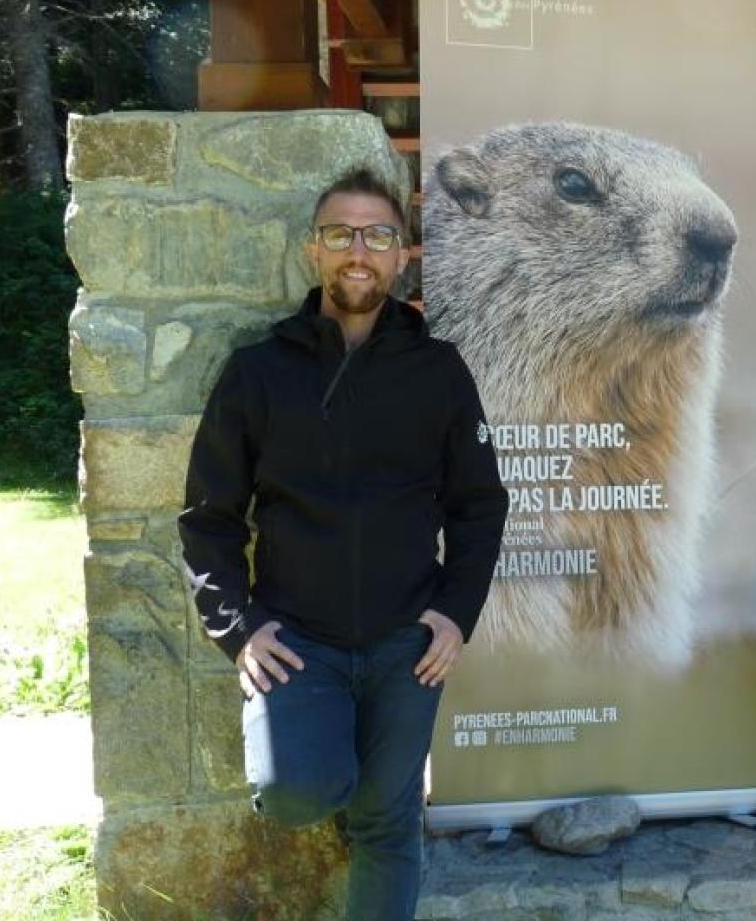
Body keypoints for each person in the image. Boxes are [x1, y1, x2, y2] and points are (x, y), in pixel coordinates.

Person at [179, 168, 509, 920]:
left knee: (389, 825)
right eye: (340, 234)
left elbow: (479, 505)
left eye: (378, 236)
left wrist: (456, 615)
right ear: (313, 251)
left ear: (401, 258)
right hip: (298, 641)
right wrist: (239, 627)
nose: (358, 251)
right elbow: (209, 517)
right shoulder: (258, 373)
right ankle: (329, 766)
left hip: (408, 644)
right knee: (295, 792)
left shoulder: (440, 372)